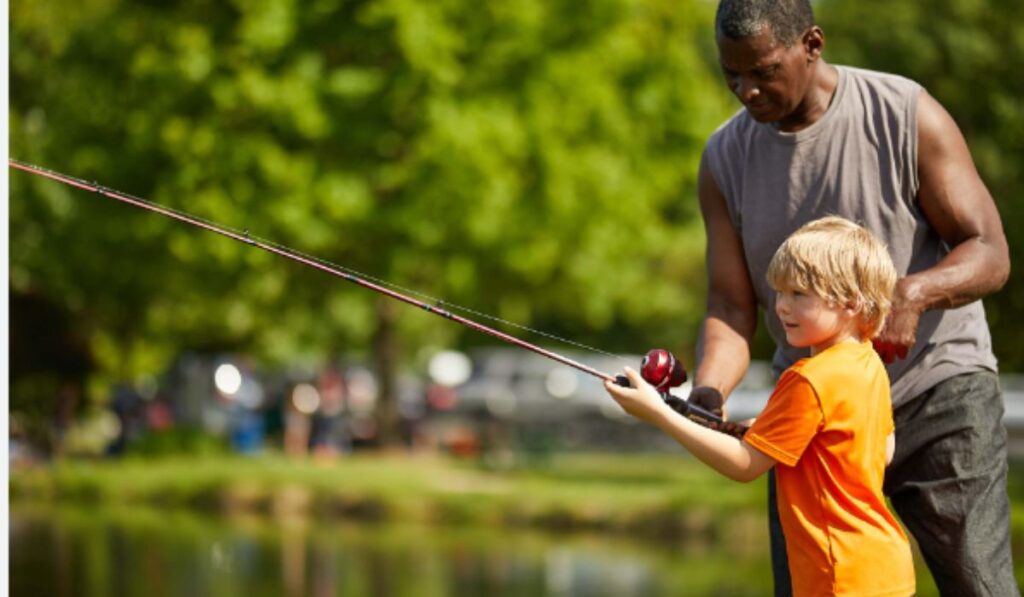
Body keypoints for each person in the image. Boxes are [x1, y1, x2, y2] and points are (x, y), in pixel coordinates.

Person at [690, 1, 1015, 595]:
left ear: (811, 44)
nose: (747, 91)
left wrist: (912, 294)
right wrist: (709, 393)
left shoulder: (904, 113)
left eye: (763, 71)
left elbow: (990, 250)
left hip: (936, 389)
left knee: (980, 585)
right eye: (731, 74)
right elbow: (732, 307)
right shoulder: (723, 158)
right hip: (810, 408)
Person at [606, 216, 915, 597]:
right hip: (884, 569)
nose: (781, 307)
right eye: (779, 292)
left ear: (851, 302)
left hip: (839, 576)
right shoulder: (868, 364)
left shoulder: (809, 378)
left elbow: (744, 465)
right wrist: (779, 431)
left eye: (799, 294)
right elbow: (881, 451)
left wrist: (659, 413)